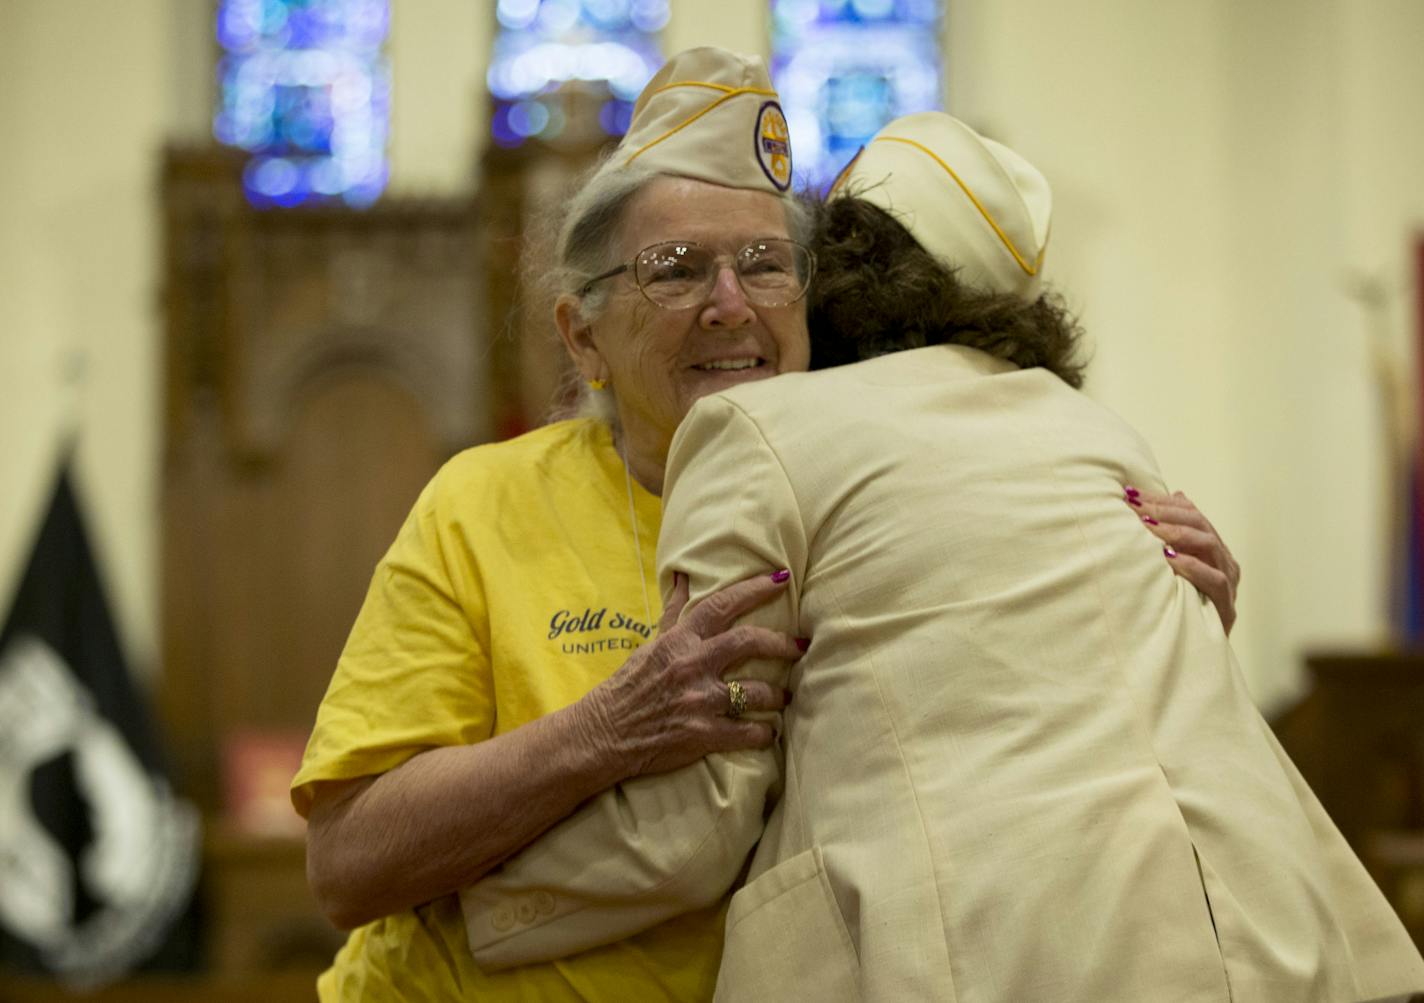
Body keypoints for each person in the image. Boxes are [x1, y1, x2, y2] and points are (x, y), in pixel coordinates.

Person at [293, 46, 1244, 1000]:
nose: (730, 306)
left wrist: (1166, 611)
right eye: (675, 270)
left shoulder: (891, 501)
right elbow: (348, 863)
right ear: (583, 335)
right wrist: (605, 730)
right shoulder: (482, 503)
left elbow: (1029, 761)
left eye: (765, 264)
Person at [456, 113, 1424, 1002]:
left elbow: (699, 814)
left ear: (828, 270)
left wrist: (474, 900)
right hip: (1271, 938)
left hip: (1002, 952)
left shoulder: (760, 430)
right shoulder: (1096, 431)